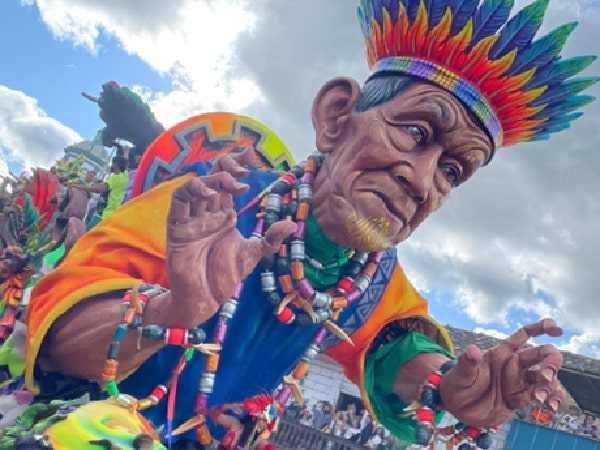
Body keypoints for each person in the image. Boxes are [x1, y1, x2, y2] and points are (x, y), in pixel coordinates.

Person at [22, 0, 597, 448]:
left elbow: (398, 348)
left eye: (452, 169)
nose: (423, 181)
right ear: (337, 116)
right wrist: (174, 309)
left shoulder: (371, 276)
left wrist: (452, 385)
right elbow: (55, 345)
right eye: (416, 133)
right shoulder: (212, 205)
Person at [73, 155, 128, 228]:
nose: (110, 166)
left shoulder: (115, 178)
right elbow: (125, 164)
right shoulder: (125, 176)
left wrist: (80, 187)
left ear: (116, 164)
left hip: (102, 215)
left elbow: (99, 189)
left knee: (85, 237)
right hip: (111, 215)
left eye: (112, 163)